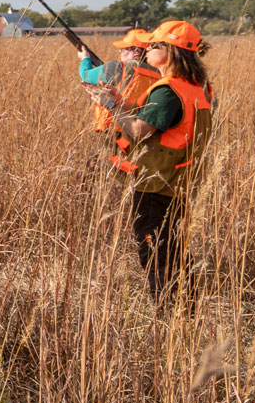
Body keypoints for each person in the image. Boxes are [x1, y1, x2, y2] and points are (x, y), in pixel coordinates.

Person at [91, 19, 213, 303]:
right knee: (171, 245)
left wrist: (107, 104)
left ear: (172, 51)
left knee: (155, 250)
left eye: (155, 45)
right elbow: (156, 118)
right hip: (177, 179)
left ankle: (172, 311)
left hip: (158, 183)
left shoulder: (169, 91)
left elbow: (138, 130)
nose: (148, 49)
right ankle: (187, 305)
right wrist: (119, 101)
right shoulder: (190, 87)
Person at [76, 28, 160, 134]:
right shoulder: (159, 72)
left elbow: (86, 76)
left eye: (124, 49)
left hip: (115, 130)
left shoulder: (118, 67)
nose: (120, 52)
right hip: (143, 130)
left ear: (136, 52)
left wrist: (85, 58)